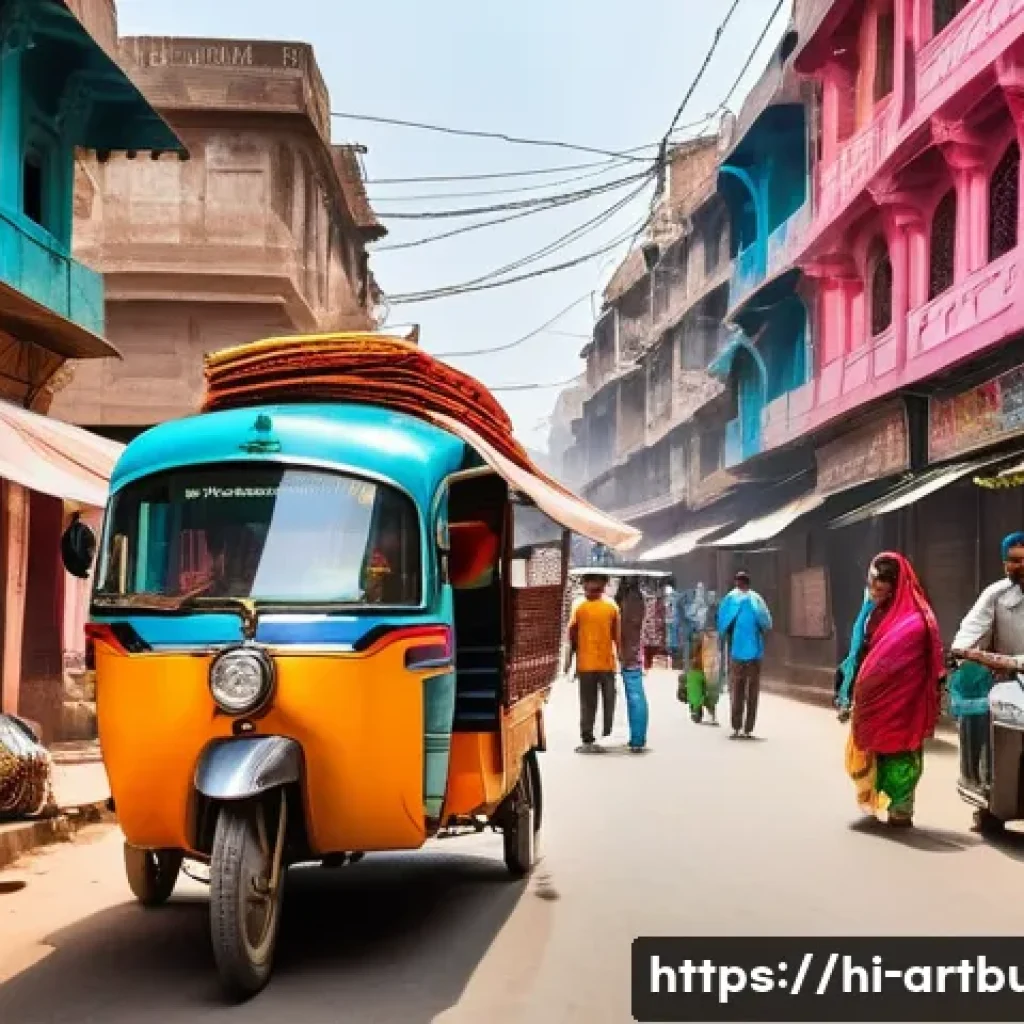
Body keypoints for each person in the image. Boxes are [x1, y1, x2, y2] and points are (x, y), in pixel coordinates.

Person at [836, 553, 942, 828]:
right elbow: (862, 651)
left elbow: (911, 661)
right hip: (872, 697)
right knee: (875, 747)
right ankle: (877, 795)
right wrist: (851, 688)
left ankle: (902, 806)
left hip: (905, 699)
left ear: (896, 586)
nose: (873, 592)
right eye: (871, 585)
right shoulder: (871, 614)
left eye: (880, 587)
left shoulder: (915, 620)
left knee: (901, 750)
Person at [950, 532, 1024, 828]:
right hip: (1009, 683)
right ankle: (989, 795)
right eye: (1015, 561)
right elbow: (968, 635)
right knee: (988, 722)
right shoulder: (995, 596)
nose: (1022, 566)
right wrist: (967, 654)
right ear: (1005, 564)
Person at [567, 573, 621, 753]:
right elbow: (617, 637)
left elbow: (572, 635)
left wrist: (571, 661)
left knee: (588, 703)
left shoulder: (579, 607)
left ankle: (588, 738)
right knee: (608, 700)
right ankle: (604, 735)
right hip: (604, 663)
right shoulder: (611, 607)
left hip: (588, 663)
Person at [717, 571, 772, 739]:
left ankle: (737, 727)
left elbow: (721, 623)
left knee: (737, 689)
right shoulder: (756, 600)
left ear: (738, 582)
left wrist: (726, 634)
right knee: (751, 691)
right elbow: (767, 623)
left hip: (738, 652)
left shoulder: (731, 599)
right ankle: (747, 728)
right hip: (753, 652)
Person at [616, 578, 649, 753]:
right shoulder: (634, 597)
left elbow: (626, 627)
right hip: (631, 652)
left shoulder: (631, 599)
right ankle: (637, 738)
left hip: (629, 654)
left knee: (634, 696)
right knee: (634, 695)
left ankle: (637, 739)